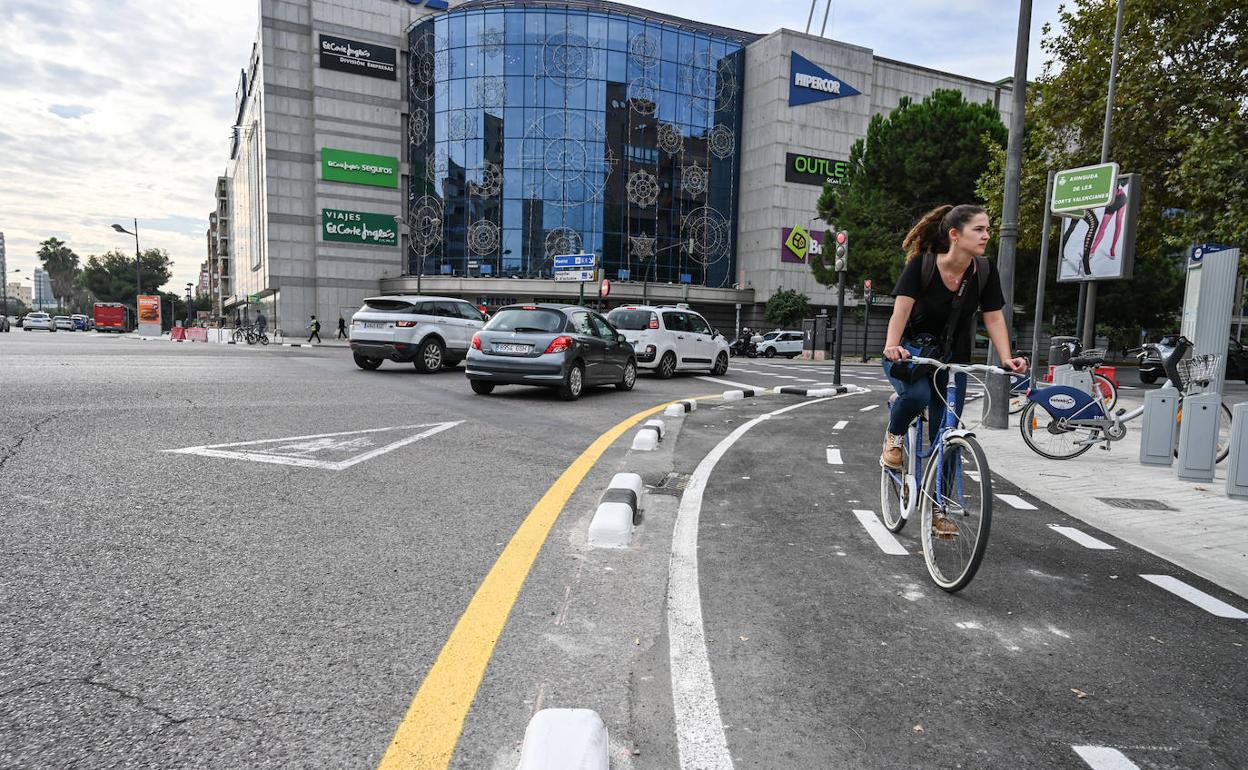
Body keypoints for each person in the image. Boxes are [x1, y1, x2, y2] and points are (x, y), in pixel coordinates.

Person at [880, 204, 1027, 472]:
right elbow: (900, 312)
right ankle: (894, 437)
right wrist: (892, 346)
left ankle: (940, 510)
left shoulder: (984, 271)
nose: (986, 235)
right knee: (918, 396)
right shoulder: (921, 265)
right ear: (955, 235)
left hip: (953, 360)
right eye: (979, 229)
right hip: (909, 355)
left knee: (947, 433)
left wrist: (1006, 358)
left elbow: (993, 317)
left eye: (988, 230)